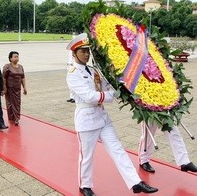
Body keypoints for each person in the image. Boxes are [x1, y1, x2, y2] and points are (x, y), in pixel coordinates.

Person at [66, 33, 158, 196]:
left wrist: (120, 85)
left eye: (88, 51)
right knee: (86, 156)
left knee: (118, 150)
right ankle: (85, 185)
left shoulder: (93, 69)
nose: (86, 54)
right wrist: (112, 95)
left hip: (102, 117)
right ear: (74, 53)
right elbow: (90, 96)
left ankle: (135, 182)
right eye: (83, 51)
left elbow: (105, 85)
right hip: (86, 119)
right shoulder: (73, 73)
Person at [3, 51, 27, 126]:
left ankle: (16, 118)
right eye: (15, 56)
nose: (17, 58)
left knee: (17, 103)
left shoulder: (20, 66)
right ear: (10, 58)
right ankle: (12, 117)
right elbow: (3, 77)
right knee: (10, 103)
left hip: (17, 89)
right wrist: (4, 88)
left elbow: (22, 77)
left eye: (17, 56)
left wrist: (24, 87)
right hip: (10, 88)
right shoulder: (7, 66)